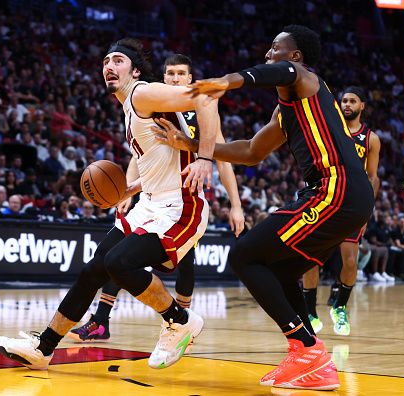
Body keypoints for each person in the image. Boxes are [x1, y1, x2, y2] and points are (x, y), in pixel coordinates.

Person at [154, 25, 374, 390]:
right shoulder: (288, 110)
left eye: (276, 48)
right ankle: (313, 362)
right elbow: (252, 152)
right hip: (337, 195)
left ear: (296, 56)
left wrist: (226, 81)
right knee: (281, 271)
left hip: (336, 189)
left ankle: (305, 348)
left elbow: (282, 72)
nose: (269, 54)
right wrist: (190, 143)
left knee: (244, 255)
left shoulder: (304, 78)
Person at [0, 38, 219, 371]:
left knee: (118, 263)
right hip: (150, 201)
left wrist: (205, 158)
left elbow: (207, 97)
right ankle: (44, 347)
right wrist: (130, 189)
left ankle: (179, 320)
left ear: (135, 70)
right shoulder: (130, 106)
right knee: (93, 271)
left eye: (118, 60)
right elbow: (161, 160)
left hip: (180, 205)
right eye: (105, 62)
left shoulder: (143, 93)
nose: (108, 66)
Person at [68, 54, 244, 342]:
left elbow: (223, 160)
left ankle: (177, 324)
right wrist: (126, 189)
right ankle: (100, 319)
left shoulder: (202, 112)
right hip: (151, 194)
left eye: (180, 74)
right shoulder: (158, 103)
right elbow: (141, 154)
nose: (175, 78)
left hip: (186, 199)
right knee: (118, 256)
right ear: (164, 78)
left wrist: (235, 205)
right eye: (170, 73)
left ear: (189, 79)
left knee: (186, 263)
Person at [301, 86, 383, 336]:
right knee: (310, 257)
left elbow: (373, 178)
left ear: (362, 106)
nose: (347, 104)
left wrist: (367, 211)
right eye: (344, 100)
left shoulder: (371, 138)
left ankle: (339, 306)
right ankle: (309, 310)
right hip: (326, 200)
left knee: (350, 261)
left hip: (352, 206)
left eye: (352, 101)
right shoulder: (331, 129)